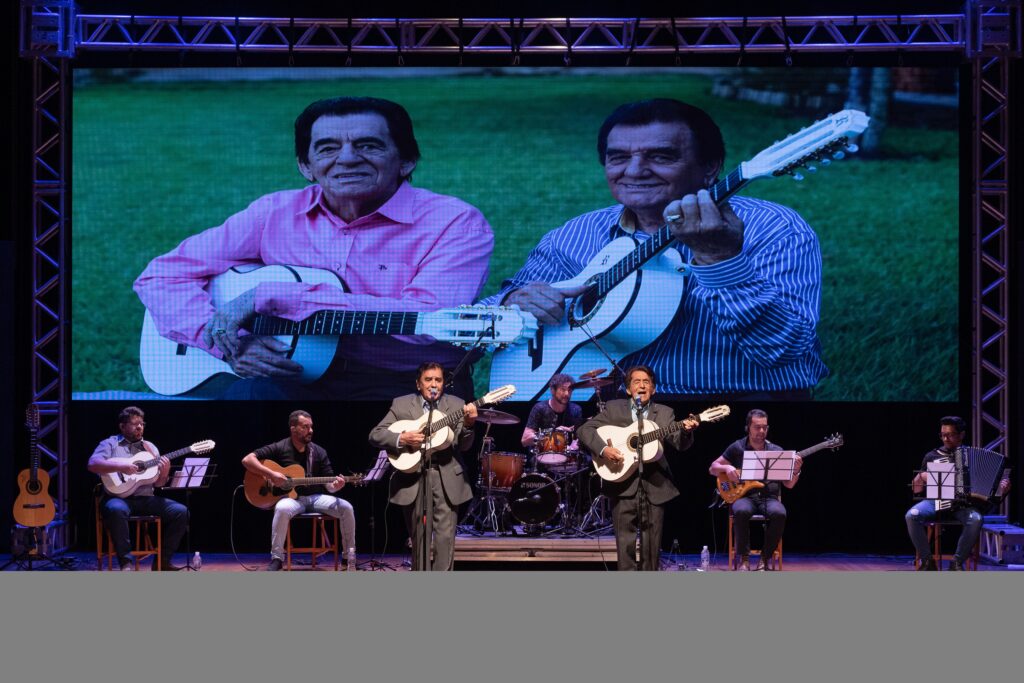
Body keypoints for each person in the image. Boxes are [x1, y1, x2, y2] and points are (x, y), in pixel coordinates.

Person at [135, 96, 494, 400]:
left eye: (368, 145)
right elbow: (162, 274)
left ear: (406, 160)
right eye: (328, 148)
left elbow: (430, 319)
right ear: (306, 166)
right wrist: (226, 342)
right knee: (247, 408)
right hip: (297, 371)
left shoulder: (456, 222)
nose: (347, 158)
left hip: (409, 383)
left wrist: (277, 297)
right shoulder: (274, 212)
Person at [484, 98, 826, 400]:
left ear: (710, 167)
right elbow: (486, 314)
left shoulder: (774, 228)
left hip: (735, 400)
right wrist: (512, 302)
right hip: (604, 403)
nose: (634, 171)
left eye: (661, 156)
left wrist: (720, 260)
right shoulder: (575, 234)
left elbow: (782, 350)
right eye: (618, 158)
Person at [577, 365, 695, 570]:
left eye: (646, 382)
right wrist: (604, 449)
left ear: (653, 389)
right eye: (636, 382)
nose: (642, 385)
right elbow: (585, 429)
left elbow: (679, 443)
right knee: (625, 545)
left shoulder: (664, 413)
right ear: (628, 389)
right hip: (622, 484)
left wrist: (686, 431)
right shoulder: (614, 408)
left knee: (652, 547)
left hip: (655, 485)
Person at [368, 361, 477, 570]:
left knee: (445, 538)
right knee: (418, 538)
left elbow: (463, 445)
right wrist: (402, 438)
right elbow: (375, 435)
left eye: (438, 380)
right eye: (428, 380)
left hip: (446, 476)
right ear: (419, 384)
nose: (434, 384)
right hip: (413, 477)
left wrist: (469, 425)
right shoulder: (401, 404)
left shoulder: (457, 405)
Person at [241, 410, 356, 571]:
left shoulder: (319, 452)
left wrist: (335, 486)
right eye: (305, 427)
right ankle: (277, 558)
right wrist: (271, 474)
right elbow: (247, 460)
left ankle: (348, 557)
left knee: (346, 507)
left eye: (311, 426)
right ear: (293, 429)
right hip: (292, 500)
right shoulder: (280, 447)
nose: (310, 430)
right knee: (281, 508)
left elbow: (329, 484)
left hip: (316, 498)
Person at [87, 406, 189, 571]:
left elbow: (158, 484)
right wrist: (121, 466)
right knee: (116, 510)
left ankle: (162, 562)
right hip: (118, 498)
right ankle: (126, 564)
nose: (140, 427)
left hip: (146, 499)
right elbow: (92, 464)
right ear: (122, 426)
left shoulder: (150, 448)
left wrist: (164, 473)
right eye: (135, 424)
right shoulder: (110, 443)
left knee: (181, 512)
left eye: (142, 424)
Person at [905, 416, 1010, 571]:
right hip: (935, 502)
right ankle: (927, 561)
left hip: (962, 505)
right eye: (942, 435)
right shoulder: (932, 456)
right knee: (911, 515)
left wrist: (1003, 489)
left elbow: (995, 496)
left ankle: (956, 563)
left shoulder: (971, 456)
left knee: (976, 519)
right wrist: (921, 476)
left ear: (961, 435)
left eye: (950, 435)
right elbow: (916, 489)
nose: (945, 439)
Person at [709, 409, 802, 571]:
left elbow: (789, 485)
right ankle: (744, 559)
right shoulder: (738, 447)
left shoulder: (776, 451)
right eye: (757, 427)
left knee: (780, 513)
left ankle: (764, 558)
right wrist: (727, 467)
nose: (761, 431)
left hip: (770, 498)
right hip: (745, 497)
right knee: (741, 510)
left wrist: (796, 471)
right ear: (748, 427)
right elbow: (712, 468)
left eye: (764, 427)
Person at [521, 373, 585, 451]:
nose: (567, 394)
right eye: (563, 389)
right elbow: (525, 440)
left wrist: (574, 446)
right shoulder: (540, 408)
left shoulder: (576, 409)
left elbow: (578, 437)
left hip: (567, 455)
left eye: (569, 390)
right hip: (543, 454)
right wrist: (553, 433)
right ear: (552, 390)